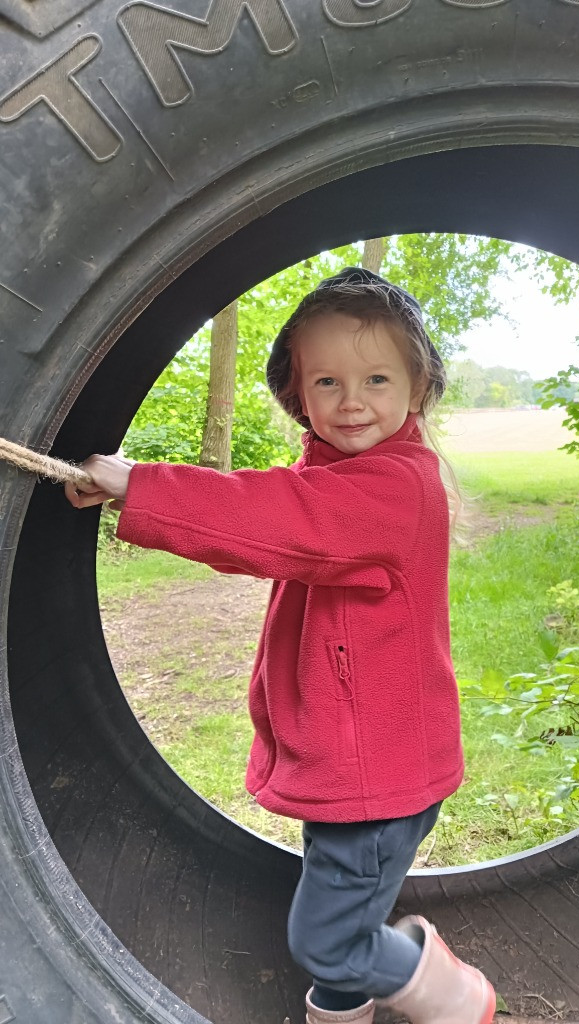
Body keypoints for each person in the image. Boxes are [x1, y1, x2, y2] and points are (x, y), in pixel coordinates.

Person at [65, 267, 496, 1024]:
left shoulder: (391, 489)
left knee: (329, 939)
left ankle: (455, 996)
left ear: (417, 386)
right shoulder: (343, 475)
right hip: (360, 760)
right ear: (298, 395)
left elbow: (273, 518)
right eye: (326, 381)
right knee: (342, 920)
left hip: (375, 775)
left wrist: (142, 483)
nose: (352, 400)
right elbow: (265, 530)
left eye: (375, 378)